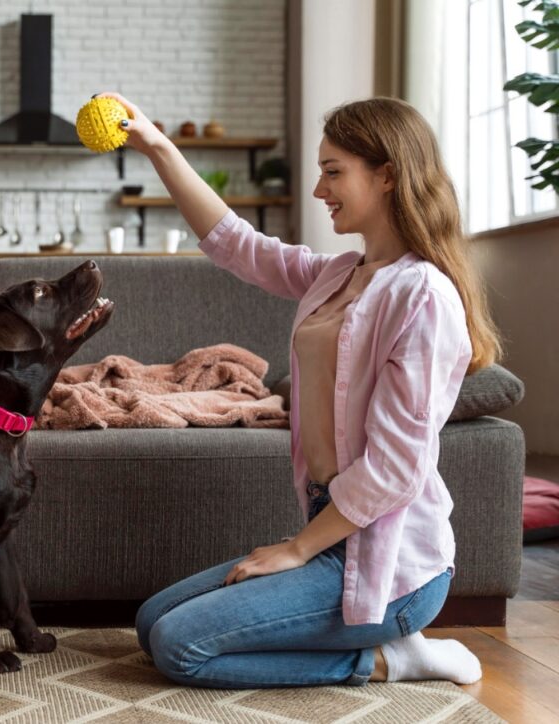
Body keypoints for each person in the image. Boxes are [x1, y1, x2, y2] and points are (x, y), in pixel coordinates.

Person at [104, 92, 496, 688]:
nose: (319, 190)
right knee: (152, 621)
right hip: (330, 525)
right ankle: (375, 639)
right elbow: (238, 243)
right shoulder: (339, 273)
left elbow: (395, 468)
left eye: (334, 172)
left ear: (387, 175)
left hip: (391, 564)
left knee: (181, 648)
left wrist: (297, 549)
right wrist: (157, 146)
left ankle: (398, 658)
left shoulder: (422, 297)